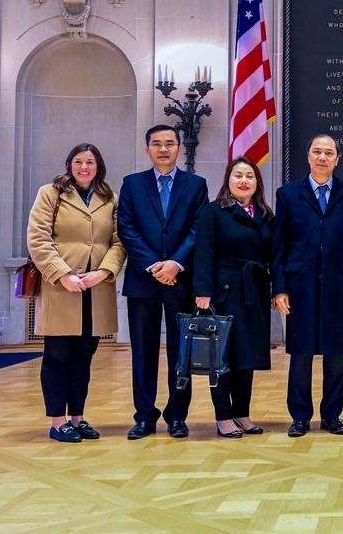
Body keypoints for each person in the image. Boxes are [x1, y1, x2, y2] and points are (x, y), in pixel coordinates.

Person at [27, 143, 127, 442]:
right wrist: (63, 274)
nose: (85, 167)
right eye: (79, 161)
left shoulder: (110, 198)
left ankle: (78, 418)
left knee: (84, 356)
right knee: (57, 356)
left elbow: (120, 241)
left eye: (91, 162)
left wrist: (104, 272)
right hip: (61, 289)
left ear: (99, 167)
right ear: (69, 164)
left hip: (95, 289)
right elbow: (38, 238)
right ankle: (58, 421)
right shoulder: (50, 193)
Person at [117, 124, 209, 440]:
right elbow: (126, 228)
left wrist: (175, 264)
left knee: (180, 352)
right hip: (143, 282)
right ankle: (144, 416)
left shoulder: (196, 185)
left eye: (170, 143)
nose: (164, 149)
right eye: (157, 144)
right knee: (142, 351)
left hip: (180, 281)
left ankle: (177, 415)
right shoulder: (132, 184)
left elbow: (199, 228)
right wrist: (155, 265)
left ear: (179, 148)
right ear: (147, 149)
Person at [272, 135, 343, 437]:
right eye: (317, 152)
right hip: (300, 284)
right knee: (301, 352)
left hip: (338, 282)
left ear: (338, 158)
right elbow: (280, 245)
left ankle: (332, 414)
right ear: (308, 157)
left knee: (335, 353)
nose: (322, 157)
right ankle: (300, 415)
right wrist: (280, 287)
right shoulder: (287, 194)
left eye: (329, 153)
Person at [193, 156, 273, 438]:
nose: (244, 181)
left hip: (255, 292)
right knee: (222, 358)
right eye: (238, 175)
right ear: (228, 180)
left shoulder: (264, 213)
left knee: (246, 356)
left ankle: (242, 412)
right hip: (224, 293)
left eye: (249, 176)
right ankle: (223, 416)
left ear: (257, 182)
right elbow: (203, 252)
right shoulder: (213, 212)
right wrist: (202, 291)